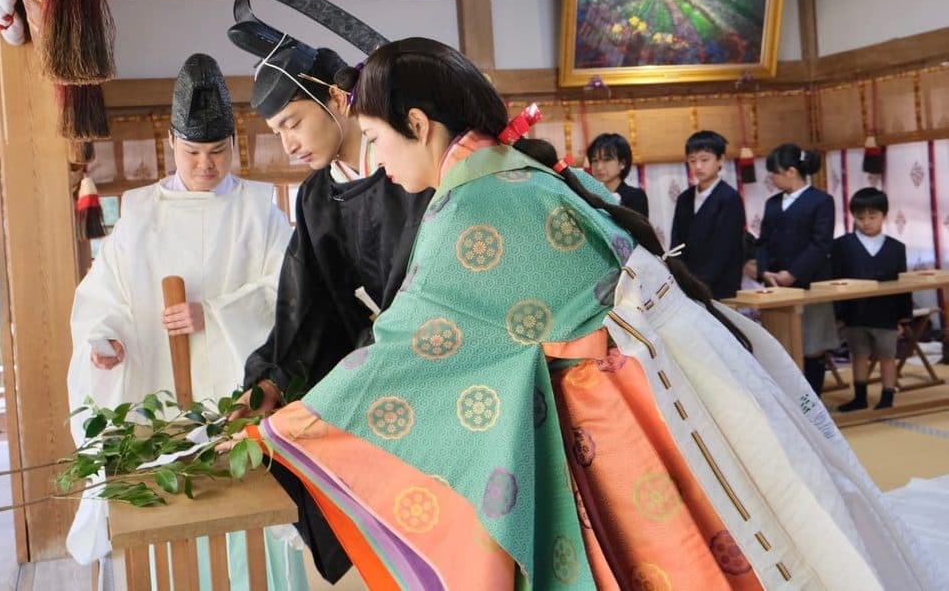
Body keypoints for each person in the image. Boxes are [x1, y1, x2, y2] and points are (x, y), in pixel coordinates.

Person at [251, 39, 941, 590]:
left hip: (617, 408)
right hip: (671, 374)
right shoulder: (515, 170)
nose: (379, 160)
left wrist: (293, 426)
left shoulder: (471, 206)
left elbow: (413, 339)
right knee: (764, 526)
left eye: (377, 137)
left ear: (419, 126)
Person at [65, 53, 304, 588]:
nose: (205, 165)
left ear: (233, 146)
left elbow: (288, 294)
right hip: (158, 395)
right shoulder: (140, 212)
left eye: (217, 152)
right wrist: (107, 339)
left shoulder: (258, 209)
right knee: (169, 526)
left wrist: (214, 313)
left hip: (237, 398)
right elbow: (106, 295)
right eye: (192, 152)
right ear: (171, 143)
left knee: (247, 526)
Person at [227, 0, 433, 582]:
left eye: (292, 122)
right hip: (380, 361)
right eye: (277, 133)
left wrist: (354, 379)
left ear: (338, 101)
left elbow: (419, 287)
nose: (287, 143)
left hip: (435, 353)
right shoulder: (318, 195)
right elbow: (305, 302)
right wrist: (273, 378)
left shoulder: (409, 170)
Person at [757, 143, 836, 395]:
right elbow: (763, 241)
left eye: (775, 173)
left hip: (809, 283)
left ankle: (814, 398)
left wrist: (794, 274)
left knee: (812, 344)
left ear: (791, 171)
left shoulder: (821, 201)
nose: (772, 178)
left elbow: (820, 243)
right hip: (776, 286)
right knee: (781, 345)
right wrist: (765, 271)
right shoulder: (772, 204)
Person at [833, 188, 911, 412]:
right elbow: (835, 281)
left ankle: (887, 396)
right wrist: (839, 316)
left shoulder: (896, 248)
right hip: (854, 312)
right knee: (858, 355)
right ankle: (860, 397)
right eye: (860, 217)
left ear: (884, 215)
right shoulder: (842, 245)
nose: (866, 222)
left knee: (888, 356)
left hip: (886, 312)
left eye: (872, 216)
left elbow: (903, 286)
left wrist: (903, 319)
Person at [670, 131, 746, 299]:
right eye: (692, 161)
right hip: (687, 283)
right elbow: (676, 241)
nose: (698, 166)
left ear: (720, 160)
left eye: (704, 160)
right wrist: (679, 274)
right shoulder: (684, 198)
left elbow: (725, 247)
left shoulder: (729, 198)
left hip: (720, 284)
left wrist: (701, 281)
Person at [586, 132, 649, 217]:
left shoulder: (635, 196)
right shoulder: (591, 195)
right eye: (595, 160)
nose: (599, 167)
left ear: (622, 163)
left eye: (606, 160)